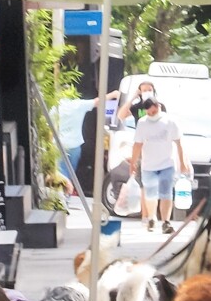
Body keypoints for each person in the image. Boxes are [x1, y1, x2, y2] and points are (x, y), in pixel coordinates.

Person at [129, 96, 190, 234]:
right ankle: (151, 217)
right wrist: (133, 162)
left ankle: (166, 222)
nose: (152, 115)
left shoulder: (170, 122)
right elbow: (137, 144)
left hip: (167, 164)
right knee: (150, 194)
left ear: (159, 107)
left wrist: (182, 162)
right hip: (148, 165)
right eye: (149, 113)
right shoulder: (143, 123)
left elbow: (179, 143)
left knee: (166, 193)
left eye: (154, 112)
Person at [118, 81, 167, 225]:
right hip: (142, 148)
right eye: (144, 90)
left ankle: (152, 214)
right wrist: (133, 97)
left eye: (149, 89)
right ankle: (146, 216)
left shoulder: (160, 107)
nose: (147, 92)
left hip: (157, 148)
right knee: (143, 182)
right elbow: (121, 115)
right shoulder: (137, 107)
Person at [56, 90, 118, 188]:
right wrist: (114, 94)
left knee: (60, 172)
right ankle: (66, 191)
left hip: (59, 145)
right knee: (70, 172)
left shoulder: (55, 107)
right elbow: (98, 101)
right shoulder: (78, 104)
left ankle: (61, 191)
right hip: (75, 146)